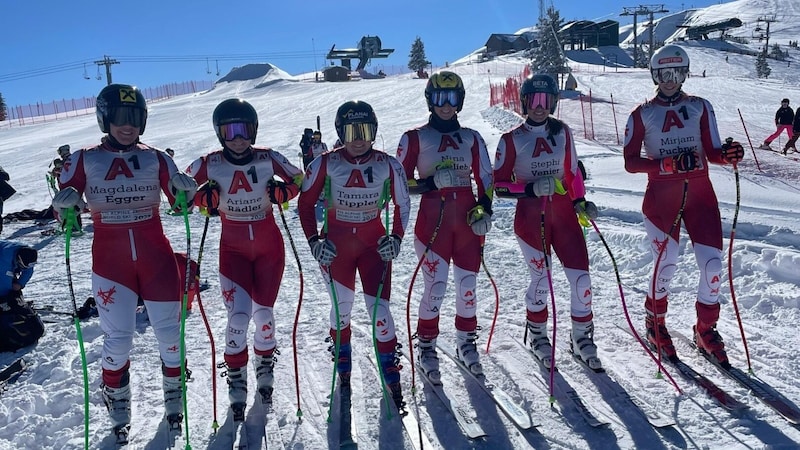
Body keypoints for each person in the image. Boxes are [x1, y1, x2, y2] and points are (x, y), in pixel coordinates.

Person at [51, 83, 197, 438]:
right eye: (119, 117)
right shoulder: (83, 159)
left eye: (133, 117)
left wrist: (186, 195)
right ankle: (118, 406)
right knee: (118, 339)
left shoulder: (157, 157)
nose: (126, 125)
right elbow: (66, 216)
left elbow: (179, 206)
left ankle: (175, 401)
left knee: (170, 336)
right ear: (105, 119)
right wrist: (64, 208)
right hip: (111, 264)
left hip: (156, 259)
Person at [622, 45, 745, 368]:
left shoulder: (700, 107)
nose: (670, 80)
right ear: (654, 76)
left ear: (685, 73)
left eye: (676, 73)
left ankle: (705, 329)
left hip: (701, 199)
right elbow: (631, 163)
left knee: (713, 267)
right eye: (663, 74)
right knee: (667, 262)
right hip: (661, 200)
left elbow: (713, 151)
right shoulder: (642, 113)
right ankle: (655, 322)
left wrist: (728, 154)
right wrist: (668, 165)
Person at [185, 98, 303, 418]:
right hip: (233, 251)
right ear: (220, 133)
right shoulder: (209, 163)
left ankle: (265, 367)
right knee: (238, 319)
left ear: (254, 130)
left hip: (269, 250)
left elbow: (300, 178)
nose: (238, 137)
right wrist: (200, 198)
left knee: (264, 315)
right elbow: (178, 189)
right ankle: (236, 377)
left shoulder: (268, 157)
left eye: (245, 129)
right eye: (230, 130)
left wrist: (284, 192)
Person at [298, 100, 410, 410]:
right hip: (336, 250)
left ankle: (390, 365)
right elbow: (305, 205)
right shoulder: (324, 163)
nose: (358, 138)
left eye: (364, 130)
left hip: (374, 248)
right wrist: (313, 242)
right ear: (340, 133)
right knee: (342, 309)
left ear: (374, 131)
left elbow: (403, 204)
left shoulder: (389, 164)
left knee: (380, 313)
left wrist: (396, 238)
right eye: (350, 131)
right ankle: (342, 354)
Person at [493, 73, 602, 370]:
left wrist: (581, 202)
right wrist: (529, 189)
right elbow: (498, 186)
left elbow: (572, 173)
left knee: (582, 281)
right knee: (542, 281)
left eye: (545, 100)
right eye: (533, 100)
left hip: (564, 217)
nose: (539, 106)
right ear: (524, 102)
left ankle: (581, 337)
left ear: (553, 102)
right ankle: (538, 334)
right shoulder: (511, 139)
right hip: (531, 220)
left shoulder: (562, 132)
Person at [395, 70, 494, 382]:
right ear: (430, 100)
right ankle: (426, 344)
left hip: (466, 226)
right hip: (431, 225)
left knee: (468, 288)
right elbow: (397, 183)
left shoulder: (472, 138)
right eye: (440, 98)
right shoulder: (415, 138)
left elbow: (487, 179)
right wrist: (429, 183)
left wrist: (484, 209)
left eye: (452, 98)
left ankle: (466, 342)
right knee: (435, 288)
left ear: (460, 101)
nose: (446, 105)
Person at [0, 241, 43, 353]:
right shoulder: (4, 262)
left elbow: (28, 270)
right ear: (18, 259)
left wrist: (20, 284)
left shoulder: (27, 254)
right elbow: (4, 288)